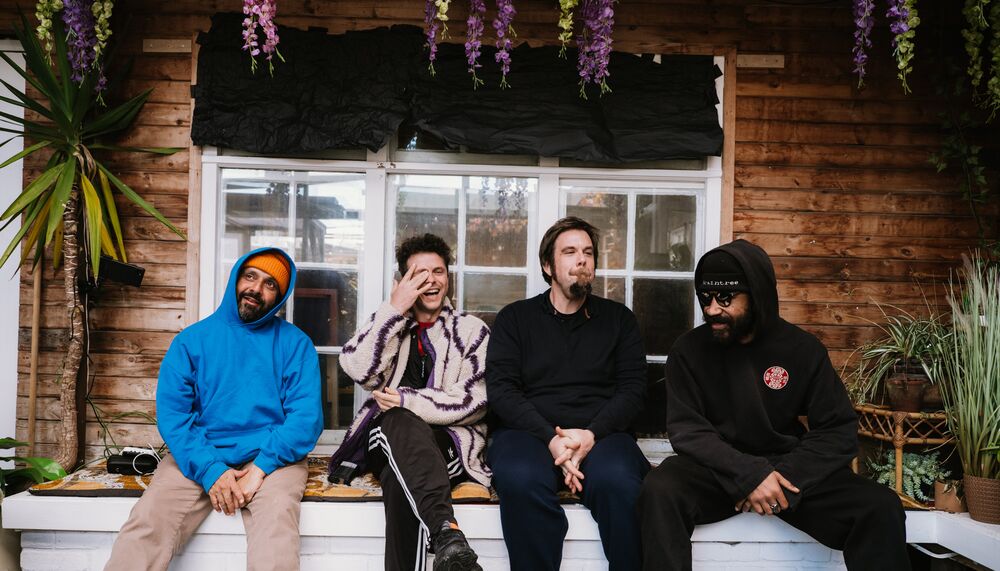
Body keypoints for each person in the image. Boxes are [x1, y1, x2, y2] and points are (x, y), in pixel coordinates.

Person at [638, 239, 910, 571]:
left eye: (725, 298)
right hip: (717, 472)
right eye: (705, 298)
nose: (711, 309)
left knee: (880, 506)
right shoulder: (688, 351)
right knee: (660, 489)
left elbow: (838, 431)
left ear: (758, 295)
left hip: (787, 473)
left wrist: (780, 479)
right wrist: (749, 475)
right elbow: (688, 431)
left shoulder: (802, 350)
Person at [105, 248, 323, 571]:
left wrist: (261, 468)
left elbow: (305, 419)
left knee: (277, 529)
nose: (256, 289)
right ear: (236, 277)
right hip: (200, 451)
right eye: (250, 276)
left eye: (270, 284)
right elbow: (174, 417)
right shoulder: (191, 342)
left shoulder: (296, 345)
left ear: (279, 297)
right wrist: (210, 469)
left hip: (272, 456)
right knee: (148, 523)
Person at [486, 216, 649, 571]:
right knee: (520, 478)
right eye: (570, 252)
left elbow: (633, 390)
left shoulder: (619, 320)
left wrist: (589, 436)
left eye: (588, 252)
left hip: (602, 434)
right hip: (528, 433)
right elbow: (502, 391)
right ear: (548, 265)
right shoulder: (515, 319)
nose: (582, 260)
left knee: (620, 482)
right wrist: (551, 439)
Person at [328, 233, 490, 571]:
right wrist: (394, 309)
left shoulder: (471, 330)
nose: (431, 281)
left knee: (397, 476)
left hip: (450, 446)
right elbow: (355, 367)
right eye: (419, 274)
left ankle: (446, 534)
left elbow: (476, 401)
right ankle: (446, 534)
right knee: (397, 422)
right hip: (386, 437)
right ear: (403, 282)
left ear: (449, 278)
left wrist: (407, 399)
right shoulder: (388, 324)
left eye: (439, 272)